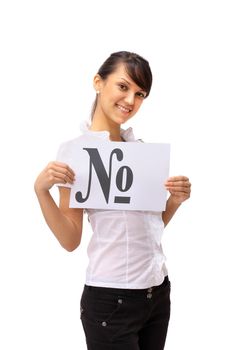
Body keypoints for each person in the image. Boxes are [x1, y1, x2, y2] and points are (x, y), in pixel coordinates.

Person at [34, 51, 191, 350]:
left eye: (140, 93)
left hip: (157, 293)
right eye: (123, 87)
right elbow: (70, 239)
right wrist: (41, 192)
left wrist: (174, 201)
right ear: (98, 82)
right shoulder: (76, 152)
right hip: (111, 299)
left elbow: (148, 229)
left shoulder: (142, 152)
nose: (131, 100)